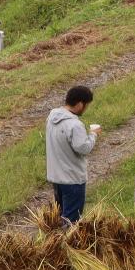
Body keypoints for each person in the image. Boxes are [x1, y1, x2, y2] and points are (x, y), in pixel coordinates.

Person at [45, 85, 100, 225]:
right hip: (72, 180)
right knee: (71, 222)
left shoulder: (52, 117)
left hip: (56, 178)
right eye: (86, 105)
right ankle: (66, 245)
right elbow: (83, 148)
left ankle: (56, 244)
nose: (86, 108)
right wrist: (93, 135)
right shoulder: (75, 125)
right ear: (80, 103)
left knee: (60, 218)